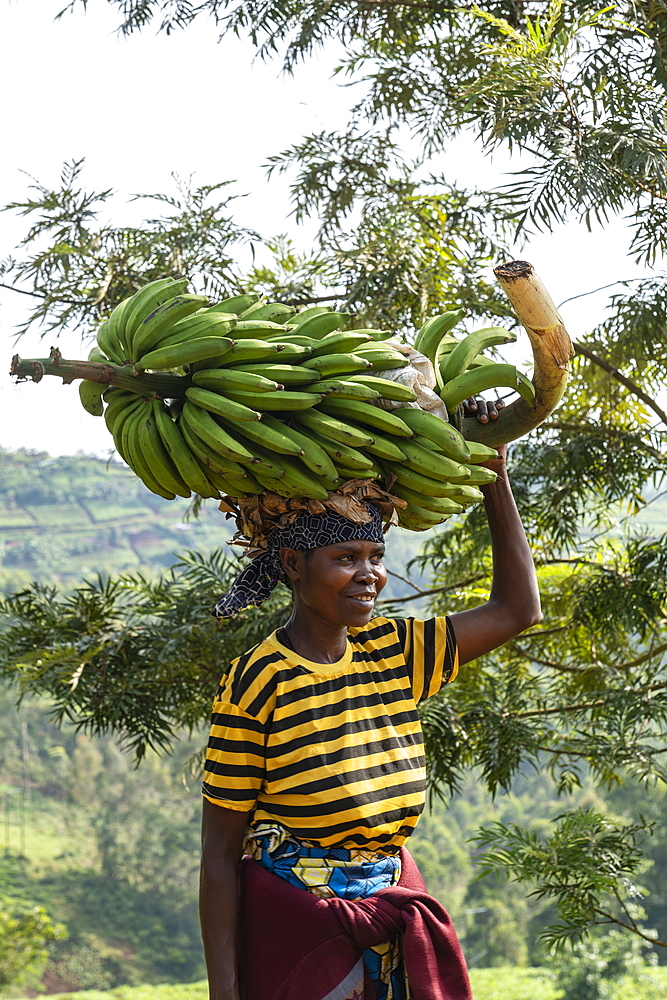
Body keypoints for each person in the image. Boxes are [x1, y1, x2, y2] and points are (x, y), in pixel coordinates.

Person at [199, 440, 540, 1000]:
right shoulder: (259, 680)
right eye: (345, 558)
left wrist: (494, 476)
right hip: (301, 928)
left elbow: (517, 609)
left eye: (375, 557)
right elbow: (218, 855)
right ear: (292, 564)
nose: (369, 575)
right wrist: (225, 993)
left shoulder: (394, 651)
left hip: (390, 913)